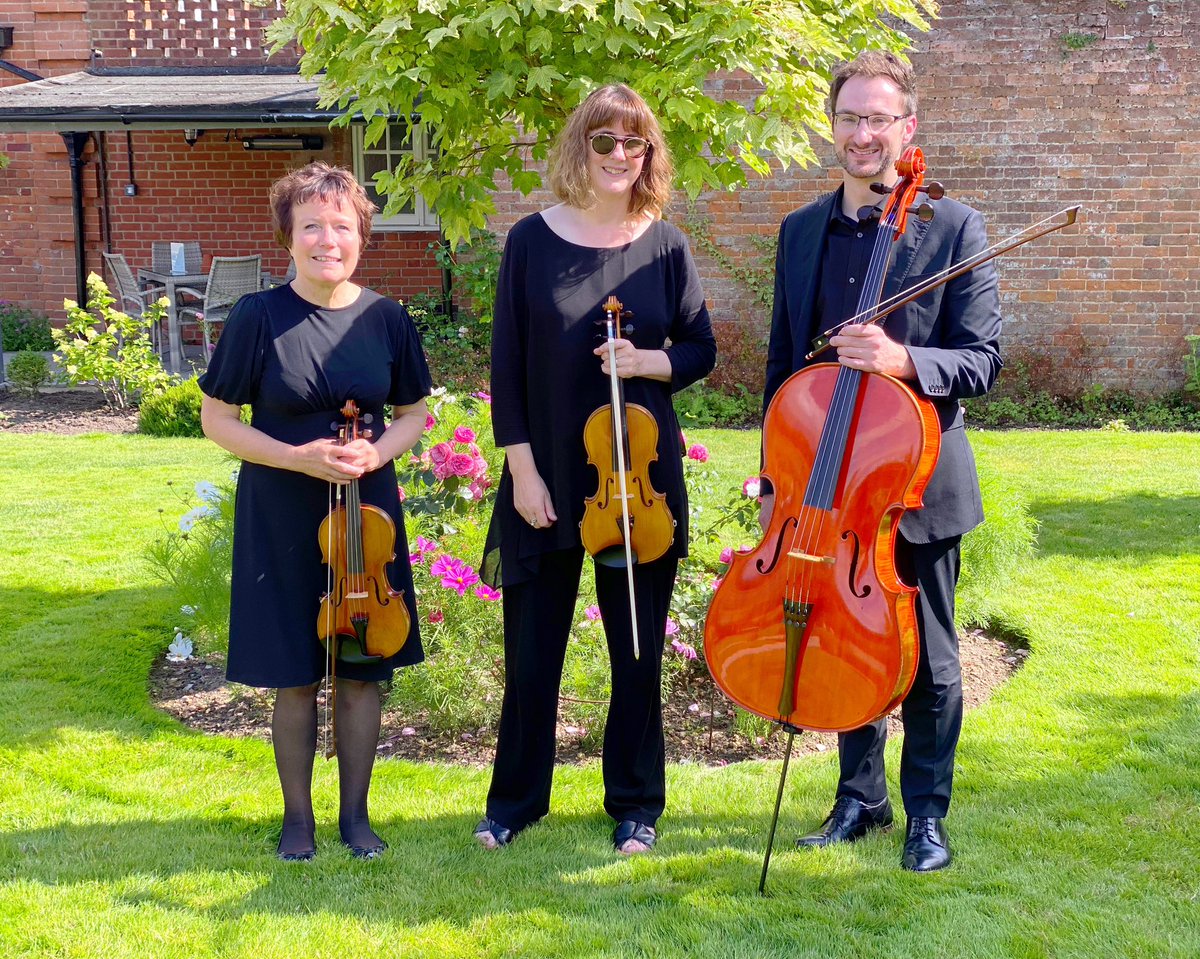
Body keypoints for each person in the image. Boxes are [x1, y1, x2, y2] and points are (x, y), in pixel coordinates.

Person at [761, 51, 1002, 872]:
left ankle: (927, 815)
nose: (864, 134)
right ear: (833, 126)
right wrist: (773, 482)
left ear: (908, 128)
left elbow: (984, 360)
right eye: (850, 118)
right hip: (824, 490)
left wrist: (903, 362)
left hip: (915, 484)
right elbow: (784, 367)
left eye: (879, 119)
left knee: (931, 660)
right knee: (838, 638)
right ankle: (859, 797)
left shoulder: (952, 228)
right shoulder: (801, 232)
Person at [475, 83, 717, 855]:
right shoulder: (530, 242)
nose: (619, 155)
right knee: (532, 655)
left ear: (649, 153)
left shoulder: (666, 245)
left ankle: (636, 803)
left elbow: (701, 348)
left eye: (633, 143)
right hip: (545, 474)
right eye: (604, 141)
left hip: (637, 484)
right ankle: (515, 802)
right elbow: (506, 367)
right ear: (580, 146)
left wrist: (649, 359)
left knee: (637, 650)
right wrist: (523, 471)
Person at [198, 162, 432, 862]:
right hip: (282, 504)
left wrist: (379, 451)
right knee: (295, 672)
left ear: (360, 234)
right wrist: (297, 457)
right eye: (311, 226)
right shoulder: (257, 317)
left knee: (363, 666)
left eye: (341, 225)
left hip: (368, 515)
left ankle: (356, 818)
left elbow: (414, 413)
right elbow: (217, 419)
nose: (327, 239)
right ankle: (297, 818)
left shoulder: (386, 317)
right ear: (288, 239)